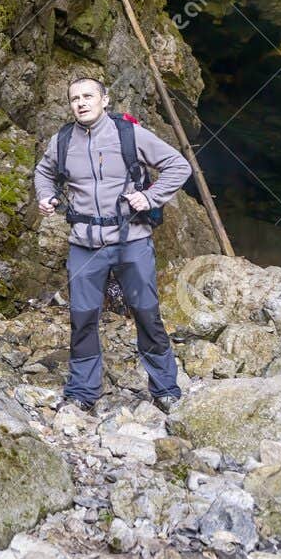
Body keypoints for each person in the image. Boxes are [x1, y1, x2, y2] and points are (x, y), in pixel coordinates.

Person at [33, 76, 191, 414]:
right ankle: (82, 393)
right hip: (83, 244)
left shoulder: (128, 134)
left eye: (88, 96)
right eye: (75, 98)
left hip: (131, 239)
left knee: (147, 314)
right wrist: (45, 196)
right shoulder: (61, 141)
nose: (81, 103)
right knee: (83, 318)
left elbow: (178, 166)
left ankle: (165, 389)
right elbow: (44, 173)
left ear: (105, 100)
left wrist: (149, 197)